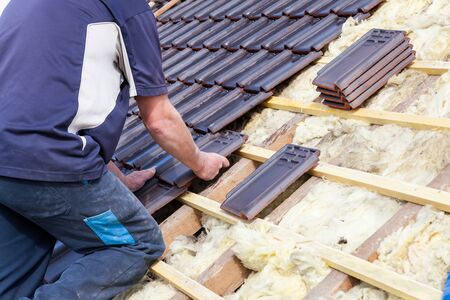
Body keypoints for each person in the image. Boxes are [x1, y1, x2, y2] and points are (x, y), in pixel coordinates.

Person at [0, 0, 229, 299]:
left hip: (9, 168)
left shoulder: (26, 6)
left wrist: (118, 180)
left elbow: (42, 106)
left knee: (13, 279)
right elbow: (159, 118)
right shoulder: (128, 8)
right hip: (46, 160)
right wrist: (200, 162)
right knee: (136, 244)